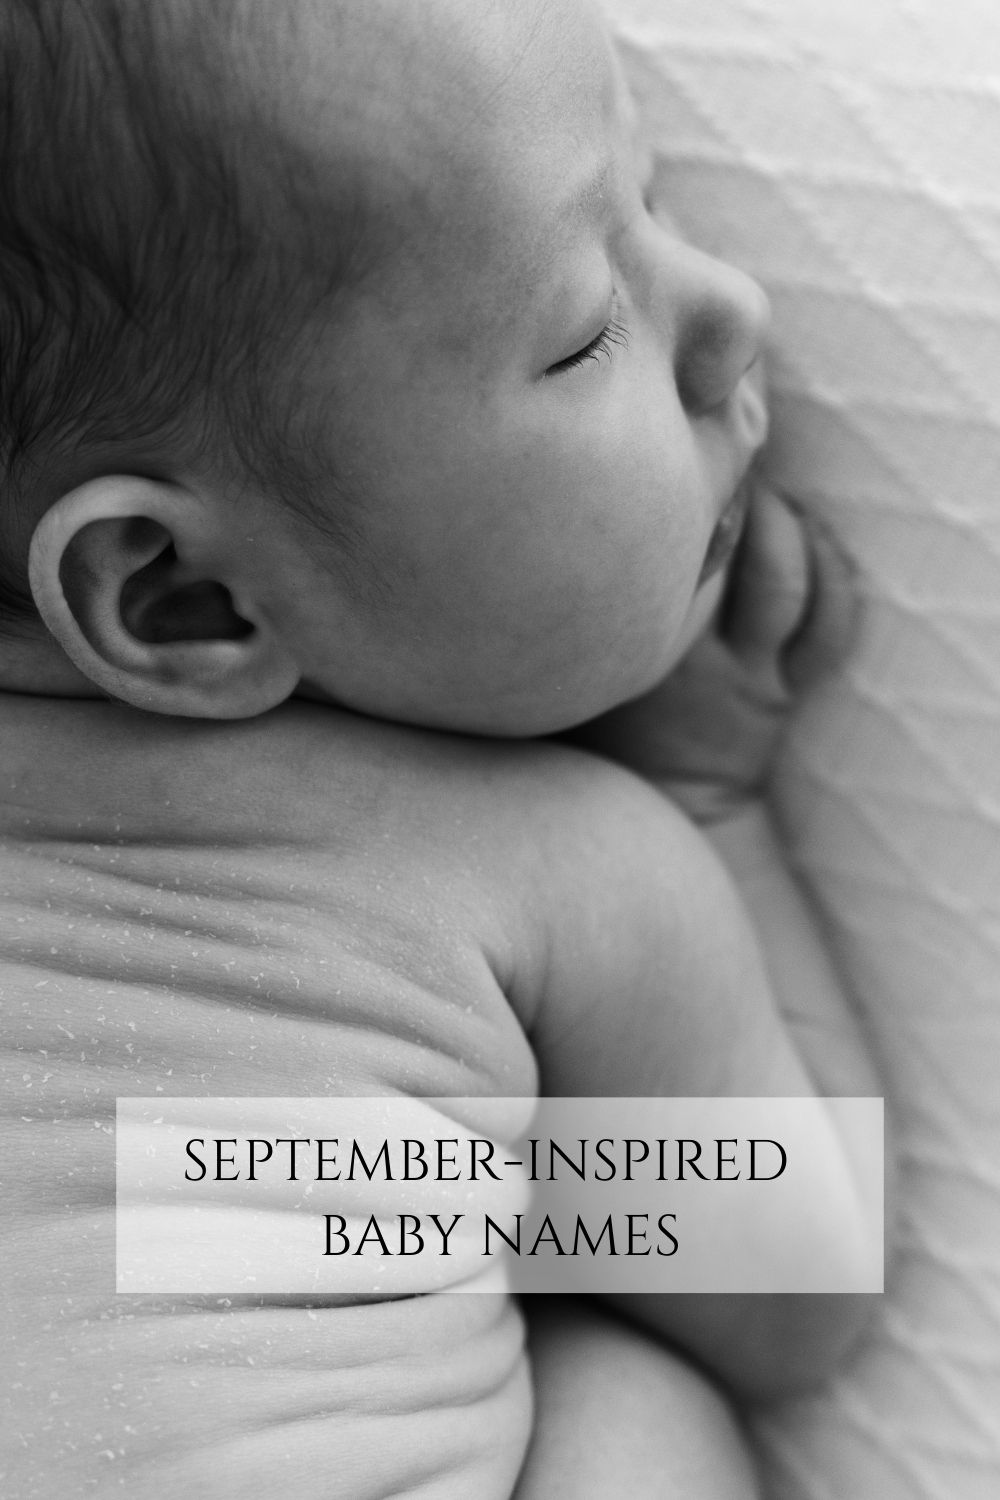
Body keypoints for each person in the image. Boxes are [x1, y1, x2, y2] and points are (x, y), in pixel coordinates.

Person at [0, 1, 886, 1495]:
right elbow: (799, 1290)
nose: (733, 305)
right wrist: (705, 803)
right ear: (181, 596)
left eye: (657, 201)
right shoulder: (533, 865)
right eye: (585, 328)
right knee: (625, 1379)